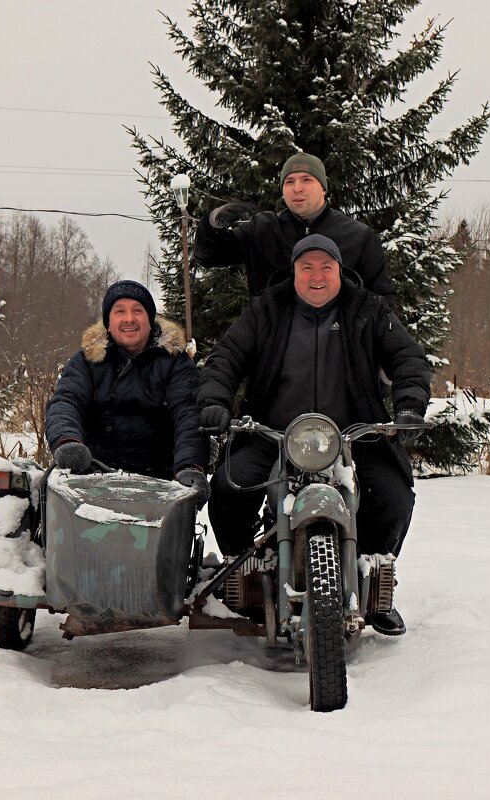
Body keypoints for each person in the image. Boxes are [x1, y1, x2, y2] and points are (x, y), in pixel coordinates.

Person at [197, 234, 429, 635]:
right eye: (307, 267)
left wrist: (408, 405)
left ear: (340, 272)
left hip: (354, 437)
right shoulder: (266, 310)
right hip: (273, 434)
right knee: (228, 488)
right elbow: (225, 358)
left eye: (326, 267)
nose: (316, 276)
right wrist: (215, 400)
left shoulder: (369, 311)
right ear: (294, 272)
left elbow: (408, 357)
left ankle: (372, 585)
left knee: (393, 494)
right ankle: (247, 575)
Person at [45, 279, 209, 504]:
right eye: (119, 311)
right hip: (92, 474)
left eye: (138, 310)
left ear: (150, 320)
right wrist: (67, 442)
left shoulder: (176, 362)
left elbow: (189, 414)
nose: (129, 318)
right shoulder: (86, 360)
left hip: (159, 482)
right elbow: (66, 400)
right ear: (109, 323)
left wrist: (190, 465)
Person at [194, 153, 396, 304]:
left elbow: (383, 300)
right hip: (273, 349)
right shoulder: (262, 229)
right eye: (289, 182)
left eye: (307, 179)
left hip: (337, 350)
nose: (297, 188)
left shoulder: (358, 235)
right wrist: (212, 224)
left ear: (323, 188)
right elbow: (208, 257)